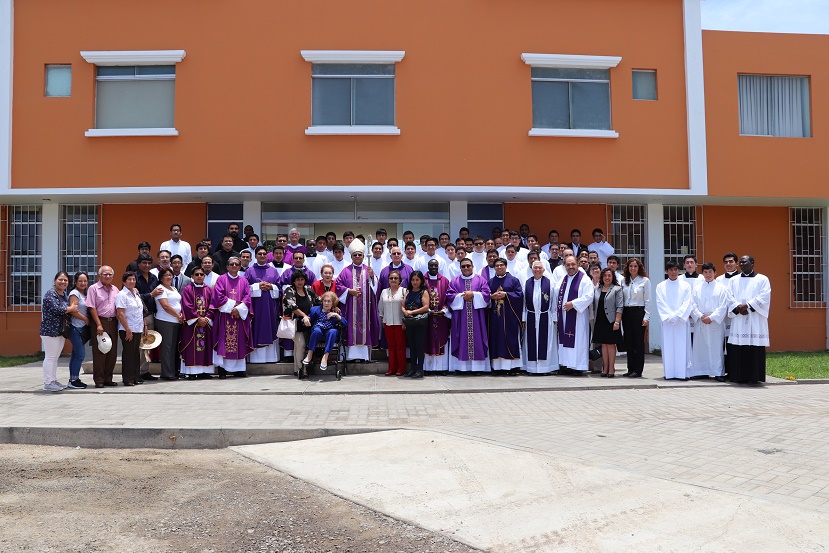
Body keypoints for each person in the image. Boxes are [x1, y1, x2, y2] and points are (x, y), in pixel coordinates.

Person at [726, 255, 771, 384]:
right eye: (740, 262)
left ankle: (754, 377)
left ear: (752, 263)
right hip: (739, 319)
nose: (741, 264)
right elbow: (728, 297)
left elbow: (764, 296)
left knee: (754, 346)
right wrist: (738, 307)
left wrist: (748, 305)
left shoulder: (762, 279)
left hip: (755, 319)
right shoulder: (733, 280)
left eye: (744, 262)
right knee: (738, 346)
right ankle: (738, 376)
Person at [336, 239, 380, 362]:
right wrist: (349, 291)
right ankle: (350, 356)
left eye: (359, 254)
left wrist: (372, 276)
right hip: (351, 308)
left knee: (365, 328)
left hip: (365, 308)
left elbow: (376, 287)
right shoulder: (345, 271)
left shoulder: (368, 270)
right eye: (355, 255)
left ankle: (363, 356)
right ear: (351, 256)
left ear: (363, 256)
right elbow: (338, 286)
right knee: (351, 329)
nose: (357, 256)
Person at [211, 257, 255, 378]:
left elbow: (247, 297)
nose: (234, 266)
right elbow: (218, 296)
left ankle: (239, 370)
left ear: (240, 267)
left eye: (236, 264)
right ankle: (223, 370)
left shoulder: (244, 281)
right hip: (225, 316)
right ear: (227, 266)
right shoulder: (221, 279)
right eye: (231, 264)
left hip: (239, 316)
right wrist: (234, 307)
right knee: (224, 341)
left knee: (240, 341)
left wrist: (239, 309)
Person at [447, 259, 491, 372]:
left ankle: (477, 368)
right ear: (460, 268)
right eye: (463, 266)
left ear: (472, 266)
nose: (466, 268)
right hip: (461, 317)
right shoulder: (454, 281)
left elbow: (487, 295)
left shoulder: (481, 280)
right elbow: (449, 297)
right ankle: (461, 368)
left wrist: (473, 294)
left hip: (477, 317)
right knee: (461, 338)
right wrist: (462, 296)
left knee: (478, 339)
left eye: (468, 266)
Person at [690, 262, 731, 381]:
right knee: (700, 348)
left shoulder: (722, 288)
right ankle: (700, 371)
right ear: (702, 273)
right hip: (701, 321)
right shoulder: (697, 289)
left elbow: (723, 306)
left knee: (716, 348)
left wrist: (711, 317)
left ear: (715, 273)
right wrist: (700, 316)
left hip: (715, 322)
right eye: (705, 272)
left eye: (710, 272)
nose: (708, 274)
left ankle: (718, 372)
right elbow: (692, 304)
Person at [39, 272, 79, 392]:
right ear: (55, 280)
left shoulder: (63, 294)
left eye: (65, 280)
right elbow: (57, 309)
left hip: (60, 330)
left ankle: (53, 380)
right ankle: (48, 383)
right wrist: (71, 308)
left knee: (55, 357)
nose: (63, 282)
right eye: (60, 279)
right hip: (50, 330)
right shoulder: (51, 293)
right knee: (50, 357)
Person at [556, 255, 594, 375]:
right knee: (564, 341)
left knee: (578, 342)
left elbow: (589, 296)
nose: (570, 267)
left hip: (578, 317)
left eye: (573, 264)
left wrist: (573, 304)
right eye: (568, 265)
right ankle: (566, 365)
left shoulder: (584, 279)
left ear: (577, 264)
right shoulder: (563, 280)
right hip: (564, 316)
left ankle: (578, 367)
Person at [656, 261, 693, 380]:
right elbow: (660, 303)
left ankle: (682, 373)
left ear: (679, 271)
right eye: (671, 270)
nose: (673, 272)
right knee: (668, 347)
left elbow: (687, 302)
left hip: (681, 322)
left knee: (682, 347)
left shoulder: (686, 286)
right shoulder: (660, 286)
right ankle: (669, 373)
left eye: (675, 269)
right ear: (666, 271)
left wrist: (677, 316)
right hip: (667, 322)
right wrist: (670, 316)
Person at [246, 246, 282, 363]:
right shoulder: (250, 271)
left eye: (264, 254)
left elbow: (280, 288)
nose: (262, 256)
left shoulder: (273, 270)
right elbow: (244, 288)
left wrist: (271, 286)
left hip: (270, 307)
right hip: (256, 307)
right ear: (255, 256)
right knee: (256, 328)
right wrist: (258, 286)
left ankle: (272, 358)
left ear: (267, 256)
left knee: (271, 327)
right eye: (259, 254)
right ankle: (256, 359)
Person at [488, 257, 524, 374]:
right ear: (494, 268)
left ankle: (512, 367)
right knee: (496, 338)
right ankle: (497, 367)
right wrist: (491, 297)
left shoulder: (513, 280)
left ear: (506, 266)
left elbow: (519, 295)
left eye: (501, 265)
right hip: (495, 317)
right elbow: (486, 296)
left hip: (510, 316)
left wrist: (506, 295)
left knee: (510, 338)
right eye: (497, 265)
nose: (499, 267)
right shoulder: (490, 282)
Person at [86, 265, 120, 388]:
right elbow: (91, 307)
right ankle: (99, 380)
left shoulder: (115, 289)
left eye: (110, 274)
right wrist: (99, 324)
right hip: (100, 321)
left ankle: (108, 378)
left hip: (113, 322)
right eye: (105, 274)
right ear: (99, 275)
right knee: (100, 351)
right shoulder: (93, 288)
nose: (108, 276)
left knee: (112, 352)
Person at [523, 260, 559, 375]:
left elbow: (553, 301)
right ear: (532, 269)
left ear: (543, 270)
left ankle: (545, 368)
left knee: (546, 342)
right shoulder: (527, 283)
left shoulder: (549, 283)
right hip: (531, 315)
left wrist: (554, 317)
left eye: (540, 268)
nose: (537, 270)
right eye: (535, 268)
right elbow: (523, 302)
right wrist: (524, 318)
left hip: (545, 316)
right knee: (531, 342)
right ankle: (531, 368)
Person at [178, 267, 215, 379]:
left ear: (204, 276)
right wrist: (198, 318)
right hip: (192, 325)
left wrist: (207, 318)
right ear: (192, 276)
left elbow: (213, 305)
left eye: (201, 274)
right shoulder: (187, 290)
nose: (199, 276)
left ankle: (205, 371)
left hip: (206, 324)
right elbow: (186, 305)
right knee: (191, 347)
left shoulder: (209, 290)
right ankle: (192, 372)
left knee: (206, 346)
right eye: (197, 274)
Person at [300, 292, 346, 375]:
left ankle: (325, 356)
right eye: (325, 301)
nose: (326, 303)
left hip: (329, 333)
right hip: (318, 332)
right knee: (316, 330)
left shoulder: (336, 311)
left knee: (333, 331)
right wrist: (305, 319)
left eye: (329, 301)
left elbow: (345, 324)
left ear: (333, 303)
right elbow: (306, 319)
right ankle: (309, 354)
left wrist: (336, 315)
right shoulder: (315, 310)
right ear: (322, 302)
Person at [283, 271, 319, 378]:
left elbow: (319, 301)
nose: (300, 282)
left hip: (308, 323)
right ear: (294, 281)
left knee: (299, 346)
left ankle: (296, 369)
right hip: (295, 323)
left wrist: (333, 305)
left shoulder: (309, 290)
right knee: (301, 344)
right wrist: (304, 316)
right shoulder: (289, 290)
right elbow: (291, 305)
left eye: (302, 279)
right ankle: (302, 369)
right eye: (297, 279)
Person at [115, 272, 147, 386]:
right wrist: (127, 329)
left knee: (135, 353)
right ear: (124, 282)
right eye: (129, 279)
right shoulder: (122, 295)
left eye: (133, 279)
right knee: (128, 354)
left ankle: (136, 377)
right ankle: (128, 379)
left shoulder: (135, 293)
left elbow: (140, 311)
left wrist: (145, 326)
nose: (132, 281)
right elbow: (120, 313)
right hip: (127, 328)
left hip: (138, 327)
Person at [621, 258, 651, 378]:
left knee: (638, 342)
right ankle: (630, 368)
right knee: (629, 341)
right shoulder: (624, 281)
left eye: (635, 266)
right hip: (626, 312)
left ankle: (638, 370)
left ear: (639, 268)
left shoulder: (645, 281)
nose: (633, 268)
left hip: (639, 312)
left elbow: (648, 300)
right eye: (631, 266)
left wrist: (646, 317)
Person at [154, 268, 184, 380]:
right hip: (165, 320)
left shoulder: (173, 288)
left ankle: (173, 371)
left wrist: (180, 316)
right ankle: (166, 373)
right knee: (166, 347)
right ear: (161, 278)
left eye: (170, 275)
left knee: (172, 347)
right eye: (166, 275)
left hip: (175, 321)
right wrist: (178, 315)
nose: (168, 277)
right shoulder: (160, 289)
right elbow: (165, 306)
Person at [593, 268, 624, 377]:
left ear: (613, 277)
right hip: (600, 320)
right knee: (603, 345)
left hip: (611, 321)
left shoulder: (617, 289)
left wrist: (617, 321)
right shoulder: (597, 289)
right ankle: (605, 367)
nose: (607, 278)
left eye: (609, 275)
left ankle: (611, 368)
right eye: (605, 275)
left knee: (611, 344)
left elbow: (620, 306)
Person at [423, 259, 452, 374]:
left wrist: (443, 310)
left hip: (441, 317)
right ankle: (428, 368)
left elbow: (449, 297)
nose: (433, 267)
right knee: (427, 339)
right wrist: (428, 310)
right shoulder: (422, 280)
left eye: (435, 265)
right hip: (427, 317)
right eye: (431, 265)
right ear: (428, 266)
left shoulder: (445, 281)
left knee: (441, 339)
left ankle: (442, 368)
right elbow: (419, 296)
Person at [378, 270, 407, 376]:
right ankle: (391, 368)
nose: (393, 280)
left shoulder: (404, 291)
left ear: (400, 280)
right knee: (391, 347)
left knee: (400, 347)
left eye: (396, 278)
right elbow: (381, 307)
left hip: (400, 323)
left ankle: (401, 369)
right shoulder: (384, 292)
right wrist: (383, 319)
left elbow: (407, 306)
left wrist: (405, 321)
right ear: (388, 280)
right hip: (388, 322)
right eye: (391, 278)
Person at [402, 270, 430, 378]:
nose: (415, 282)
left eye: (417, 280)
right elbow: (403, 305)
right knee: (412, 346)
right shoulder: (408, 291)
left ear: (421, 280)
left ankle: (420, 369)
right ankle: (412, 369)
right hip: (409, 322)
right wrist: (405, 312)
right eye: (413, 280)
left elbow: (426, 307)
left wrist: (412, 312)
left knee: (419, 346)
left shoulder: (423, 292)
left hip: (419, 323)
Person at [66, 271, 90, 389]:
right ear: (75, 282)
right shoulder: (74, 293)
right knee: (80, 354)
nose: (83, 283)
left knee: (75, 354)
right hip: (75, 328)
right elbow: (73, 311)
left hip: (82, 329)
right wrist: (85, 319)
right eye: (80, 281)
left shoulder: (84, 293)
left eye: (85, 281)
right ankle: (73, 380)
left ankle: (73, 378)